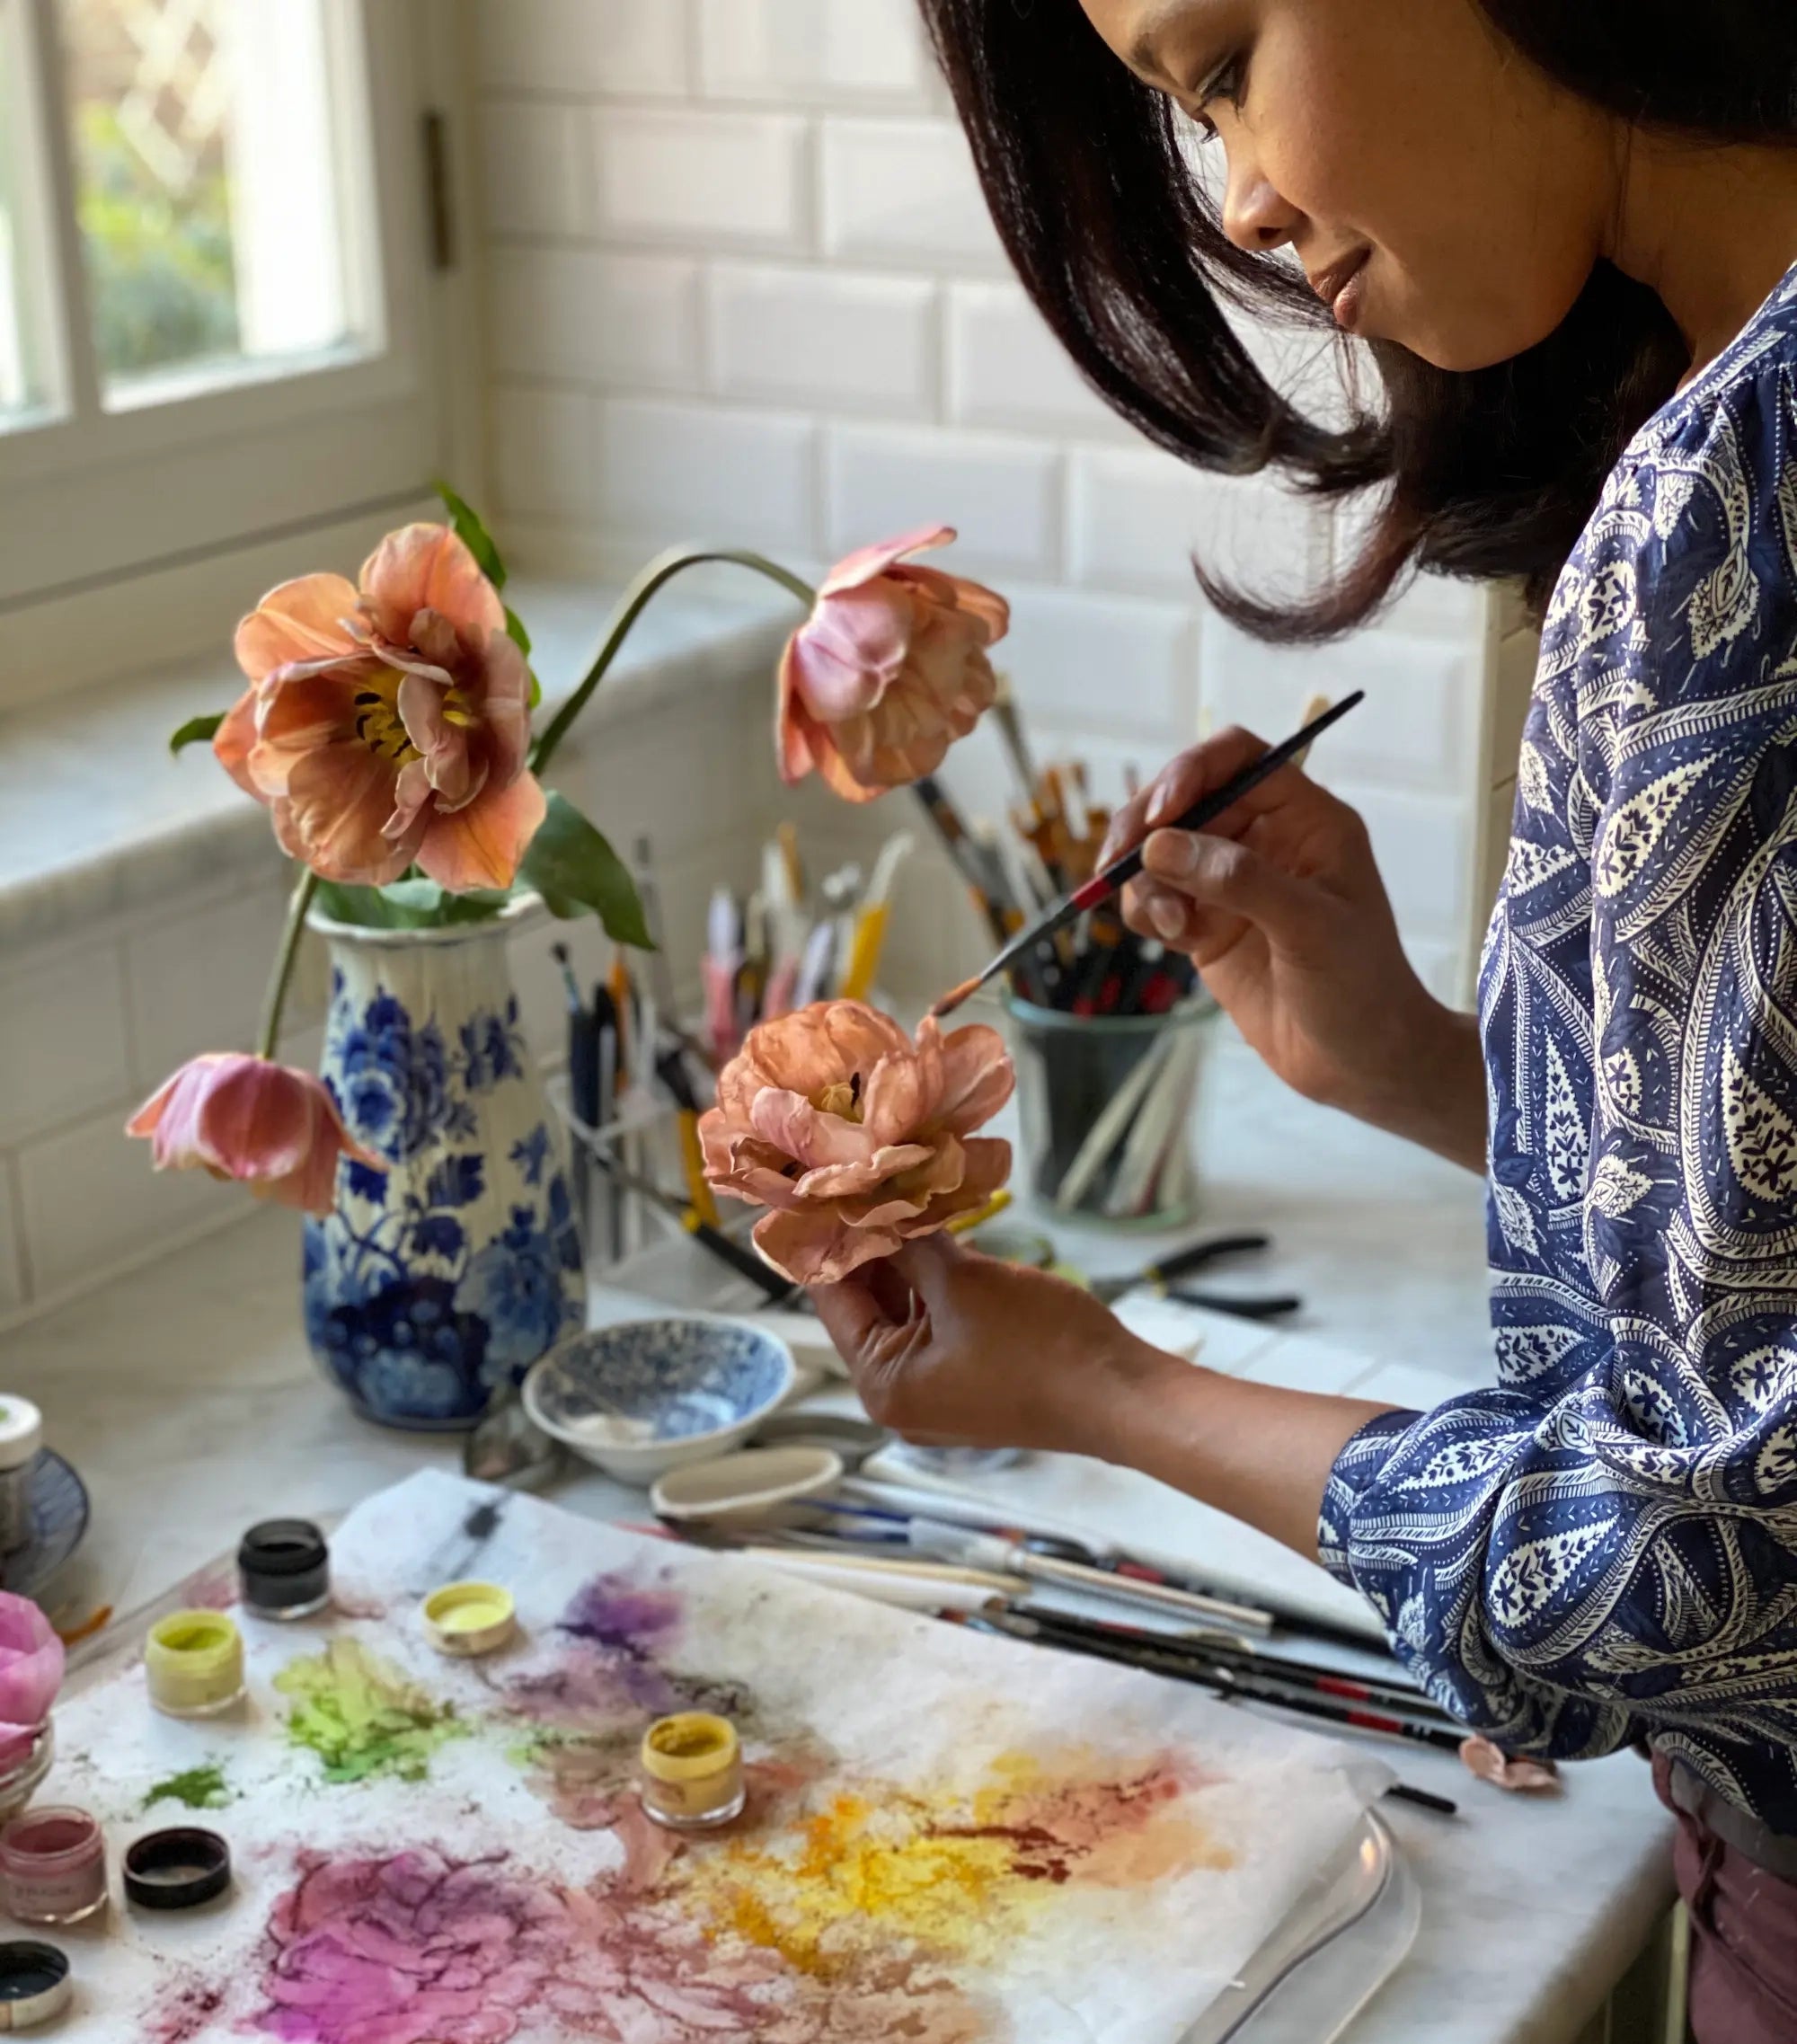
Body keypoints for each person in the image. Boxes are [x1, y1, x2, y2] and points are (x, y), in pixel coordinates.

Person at [807, 5, 1797, 2038]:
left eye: (1227, 60)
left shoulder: (1741, 503)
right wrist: (1426, 1065)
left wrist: (1100, 1387)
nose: (1243, 194)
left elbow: (1709, 1578)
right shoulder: (1713, 402)